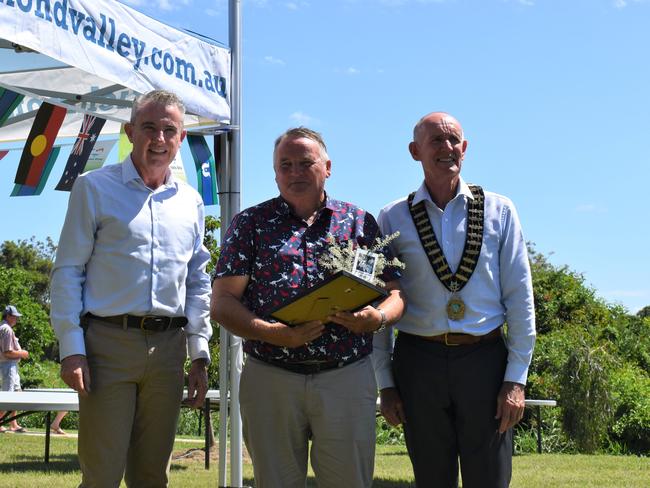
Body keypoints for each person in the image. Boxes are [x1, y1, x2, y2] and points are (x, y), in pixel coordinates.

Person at [212, 127, 405, 488]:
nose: (295, 172)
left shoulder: (359, 223)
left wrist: (375, 318)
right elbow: (222, 303)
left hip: (345, 375)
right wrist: (275, 334)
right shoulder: (251, 224)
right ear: (274, 173)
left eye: (305, 162)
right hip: (271, 377)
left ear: (327, 166)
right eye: (285, 165)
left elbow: (395, 293)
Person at [50, 90, 212, 487]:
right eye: (149, 128)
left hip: (170, 350)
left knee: (153, 475)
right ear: (129, 132)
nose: (159, 138)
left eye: (169, 130)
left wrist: (199, 353)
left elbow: (197, 279)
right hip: (107, 345)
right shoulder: (93, 188)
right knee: (102, 474)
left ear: (181, 137)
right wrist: (72, 349)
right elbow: (68, 270)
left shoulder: (190, 202)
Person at [373, 112, 536, 488]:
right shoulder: (392, 217)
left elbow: (519, 298)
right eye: (436, 141)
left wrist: (516, 379)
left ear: (465, 148)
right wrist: (385, 382)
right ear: (415, 151)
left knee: (490, 479)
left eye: (454, 141)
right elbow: (381, 301)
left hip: (484, 360)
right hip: (419, 361)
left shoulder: (500, 210)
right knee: (431, 478)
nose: (447, 148)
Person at [0, 305, 29, 433]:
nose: (17, 319)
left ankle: (13, 423)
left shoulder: (4, 328)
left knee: (16, 394)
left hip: (10, 366)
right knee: (8, 395)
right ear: (8, 316)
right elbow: (7, 352)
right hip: (7, 365)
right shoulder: (6, 329)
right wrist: (23, 353)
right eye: (15, 316)